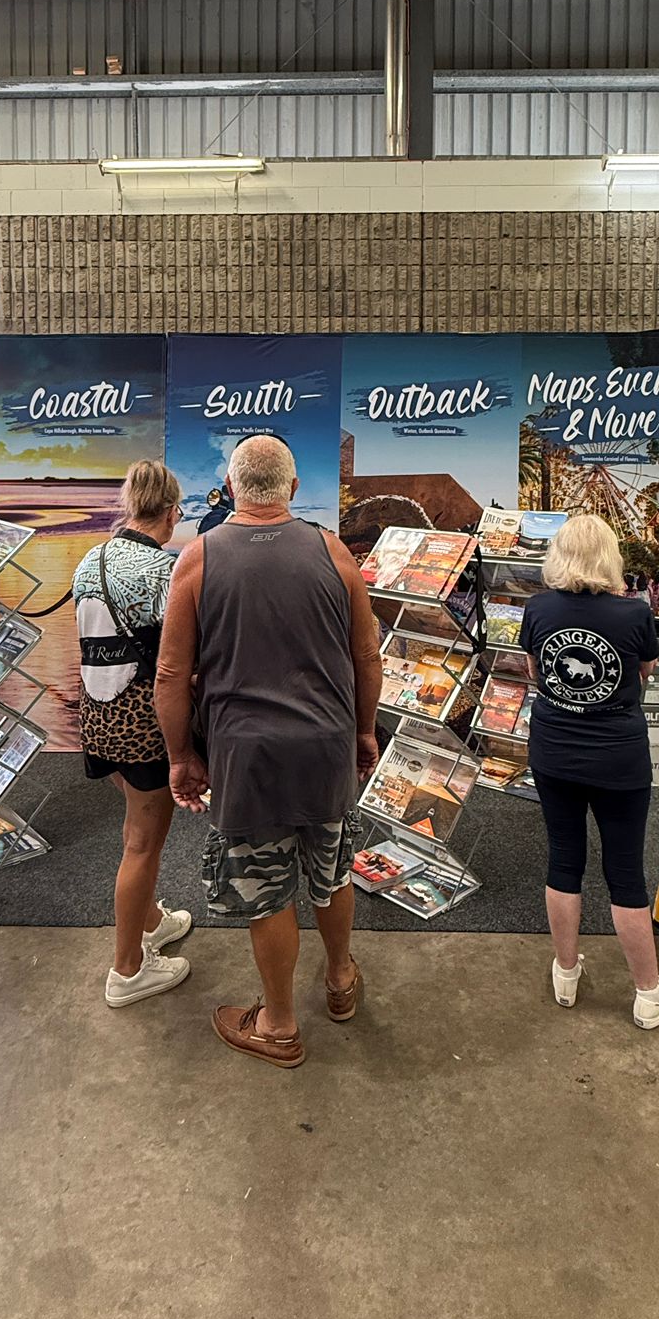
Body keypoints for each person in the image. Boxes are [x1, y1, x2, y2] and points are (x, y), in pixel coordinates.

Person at [155, 434, 381, 1068]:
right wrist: (364, 733)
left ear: (229, 490)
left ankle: (279, 1025)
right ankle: (340, 981)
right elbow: (366, 654)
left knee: (265, 888)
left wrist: (180, 756)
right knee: (331, 870)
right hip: (326, 747)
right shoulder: (332, 552)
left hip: (244, 757)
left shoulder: (197, 559)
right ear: (294, 488)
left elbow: (171, 674)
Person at [519, 513, 659, 1028]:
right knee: (625, 873)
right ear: (609, 558)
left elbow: (535, 672)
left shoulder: (537, 608)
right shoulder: (634, 613)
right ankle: (647, 993)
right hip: (618, 758)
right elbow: (644, 670)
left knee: (564, 862)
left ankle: (566, 974)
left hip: (553, 751)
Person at [73, 459, 193, 1008]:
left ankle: (150, 921)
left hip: (97, 716)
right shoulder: (162, 572)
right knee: (142, 841)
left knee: (133, 825)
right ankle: (127, 970)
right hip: (144, 722)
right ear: (169, 512)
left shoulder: (89, 561)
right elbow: (179, 660)